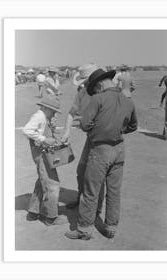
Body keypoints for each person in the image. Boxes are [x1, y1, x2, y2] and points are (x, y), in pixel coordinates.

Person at [65, 68, 138, 240]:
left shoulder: (98, 98)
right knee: (114, 191)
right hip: (119, 150)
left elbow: (85, 124)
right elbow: (133, 126)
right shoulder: (128, 100)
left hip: (100, 150)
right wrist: (116, 130)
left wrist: (100, 129)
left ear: (98, 84)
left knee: (91, 192)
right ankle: (111, 227)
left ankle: (84, 229)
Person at [61, 63, 104, 212]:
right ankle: (81, 199)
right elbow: (71, 113)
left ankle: (96, 207)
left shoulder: (103, 94)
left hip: (101, 139)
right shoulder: (82, 92)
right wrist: (66, 131)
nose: (85, 85)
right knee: (81, 171)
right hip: (90, 137)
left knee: (97, 174)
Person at [22, 96, 68, 226]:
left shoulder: (44, 116)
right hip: (40, 152)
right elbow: (27, 130)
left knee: (43, 179)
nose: (54, 113)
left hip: (40, 151)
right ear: (46, 108)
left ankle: (33, 211)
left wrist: (51, 126)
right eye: (53, 111)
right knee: (52, 183)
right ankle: (50, 216)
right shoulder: (40, 116)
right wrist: (43, 139)